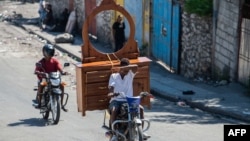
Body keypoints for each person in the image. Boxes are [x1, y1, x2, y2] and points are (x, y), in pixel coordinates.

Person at [107, 58, 150, 140]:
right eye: (124, 68)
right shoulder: (114, 76)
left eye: (128, 68)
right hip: (116, 100)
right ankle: (115, 133)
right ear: (120, 67)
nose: (126, 70)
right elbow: (110, 89)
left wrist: (127, 68)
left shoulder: (130, 74)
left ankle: (142, 131)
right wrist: (112, 94)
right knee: (114, 110)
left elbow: (136, 67)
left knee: (141, 109)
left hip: (129, 100)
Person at [34, 44, 68, 112]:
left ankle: (61, 105)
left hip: (54, 79)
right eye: (49, 52)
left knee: (62, 85)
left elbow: (59, 67)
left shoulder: (55, 61)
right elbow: (36, 70)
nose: (50, 54)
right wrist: (39, 73)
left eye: (51, 52)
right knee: (41, 85)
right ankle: (40, 104)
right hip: (46, 80)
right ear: (44, 52)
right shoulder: (41, 62)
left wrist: (62, 71)